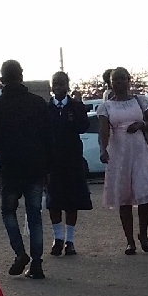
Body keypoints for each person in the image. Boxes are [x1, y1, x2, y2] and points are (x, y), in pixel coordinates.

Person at [0, 61, 53, 280]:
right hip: (36, 167)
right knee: (34, 216)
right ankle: (37, 264)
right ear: (21, 76)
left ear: (2, 78)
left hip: (11, 168)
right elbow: (49, 137)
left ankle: (20, 253)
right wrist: (48, 167)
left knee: (8, 211)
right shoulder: (38, 103)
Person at [96, 68, 148, 254]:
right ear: (110, 83)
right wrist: (103, 150)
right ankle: (130, 241)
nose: (119, 82)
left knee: (144, 191)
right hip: (119, 153)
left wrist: (142, 124)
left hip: (139, 151)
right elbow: (103, 131)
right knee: (123, 197)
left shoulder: (140, 101)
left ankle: (143, 233)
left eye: (122, 79)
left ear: (129, 80)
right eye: (115, 80)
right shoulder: (106, 107)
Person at [46, 71, 92, 256]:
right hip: (53, 161)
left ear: (67, 85)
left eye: (62, 83)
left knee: (72, 201)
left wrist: (79, 106)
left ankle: (70, 241)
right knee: (54, 201)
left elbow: (83, 127)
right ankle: (58, 239)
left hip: (72, 159)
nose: (58, 87)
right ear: (51, 86)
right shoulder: (46, 108)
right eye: (55, 83)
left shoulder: (75, 106)